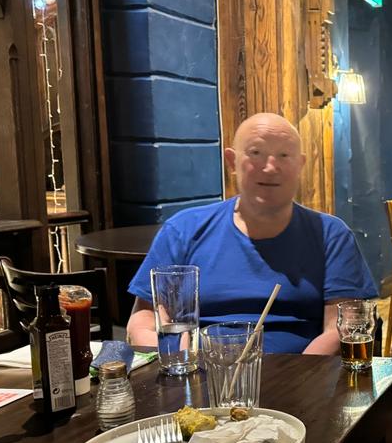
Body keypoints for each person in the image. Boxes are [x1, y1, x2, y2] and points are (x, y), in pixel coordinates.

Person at [126, 112, 377, 354]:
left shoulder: (331, 235)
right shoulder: (183, 229)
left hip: (300, 375)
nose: (270, 167)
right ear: (232, 161)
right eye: (256, 153)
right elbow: (144, 317)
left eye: (284, 155)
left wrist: (299, 377)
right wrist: (175, 358)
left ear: (300, 165)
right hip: (198, 373)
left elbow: (340, 328)